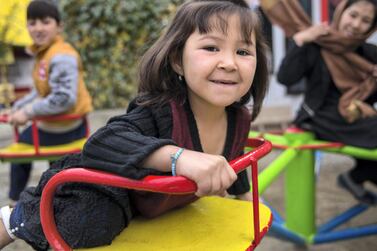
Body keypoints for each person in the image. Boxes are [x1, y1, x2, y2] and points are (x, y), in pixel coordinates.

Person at [0, 0, 269, 250]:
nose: (229, 63)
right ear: (177, 60)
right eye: (211, 48)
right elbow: (103, 142)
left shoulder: (238, 118)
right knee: (89, 221)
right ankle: (16, 216)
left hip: (152, 208)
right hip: (97, 188)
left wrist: (245, 200)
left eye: (243, 51)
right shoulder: (161, 109)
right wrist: (180, 158)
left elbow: (234, 160)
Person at [275, 0, 377, 204]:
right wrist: (300, 40)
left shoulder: (369, 53)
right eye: (353, 15)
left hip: (355, 117)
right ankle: (353, 178)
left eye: (366, 20)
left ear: (372, 27)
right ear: (340, 12)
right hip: (319, 117)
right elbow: (285, 78)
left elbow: (370, 98)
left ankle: (353, 177)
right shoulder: (317, 43)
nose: (356, 25)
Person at [4, 0, 93, 203]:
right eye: (32, 23)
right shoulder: (45, 52)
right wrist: (18, 108)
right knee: (57, 164)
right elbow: (40, 91)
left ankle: (14, 201)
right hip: (58, 123)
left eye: (45, 22)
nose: (38, 28)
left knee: (19, 150)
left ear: (59, 26)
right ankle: (56, 195)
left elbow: (64, 98)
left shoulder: (61, 56)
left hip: (67, 125)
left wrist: (27, 113)